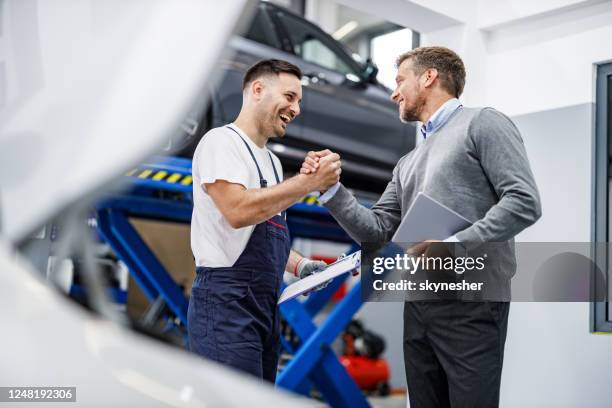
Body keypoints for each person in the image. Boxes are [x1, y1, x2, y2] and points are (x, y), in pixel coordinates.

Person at [301, 46, 542, 407]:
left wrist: (456, 244)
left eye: (400, 80)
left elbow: (524, 201)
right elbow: (376, 231)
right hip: (419, 303)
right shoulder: (407, 163)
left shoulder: (483, 123)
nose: (394, 92)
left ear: (429, 77)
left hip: (472, 303)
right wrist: (331, 190)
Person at [188, 59, 341, 382]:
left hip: (264, 307)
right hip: (225, 305)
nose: (296, 108)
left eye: (298, 100)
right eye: (289, 96)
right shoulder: (221, 142)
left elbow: (263, 232)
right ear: (257, 90)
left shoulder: (271, 162)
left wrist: (301, 266)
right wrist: (308, 183)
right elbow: (238, 211)